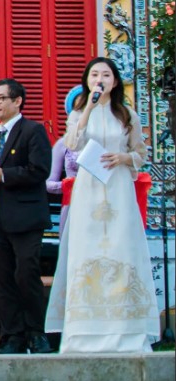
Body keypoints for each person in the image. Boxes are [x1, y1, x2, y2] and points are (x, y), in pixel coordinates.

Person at [45, 58, 157, 353]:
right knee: (88, 248)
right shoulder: (80, 112)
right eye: (94, 74)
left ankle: (126, 329)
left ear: (115, 81)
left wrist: (124, 158)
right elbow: (72, 144)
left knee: (121, 247)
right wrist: (87, 110)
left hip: (118, 184)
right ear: (87, 81)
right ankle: (82, 331)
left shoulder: (126, 114)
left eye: (106, 74)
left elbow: (140, 153)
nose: (100, 79)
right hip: (88, 185)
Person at [0, 78, 51, 355]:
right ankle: (11, 334)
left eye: (0, 99)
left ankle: (36, 332)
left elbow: (40, 170)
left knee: (26, 273)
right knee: (1, 277)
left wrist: (4, 174)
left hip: (26, 216)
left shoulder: (33, 131)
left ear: (17, 101)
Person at [46, 85, 83, 235]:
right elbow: (48, 183)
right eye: (79, 109)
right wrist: (67, 185)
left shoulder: (107, 141)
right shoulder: (63, 144)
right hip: (73, 204)